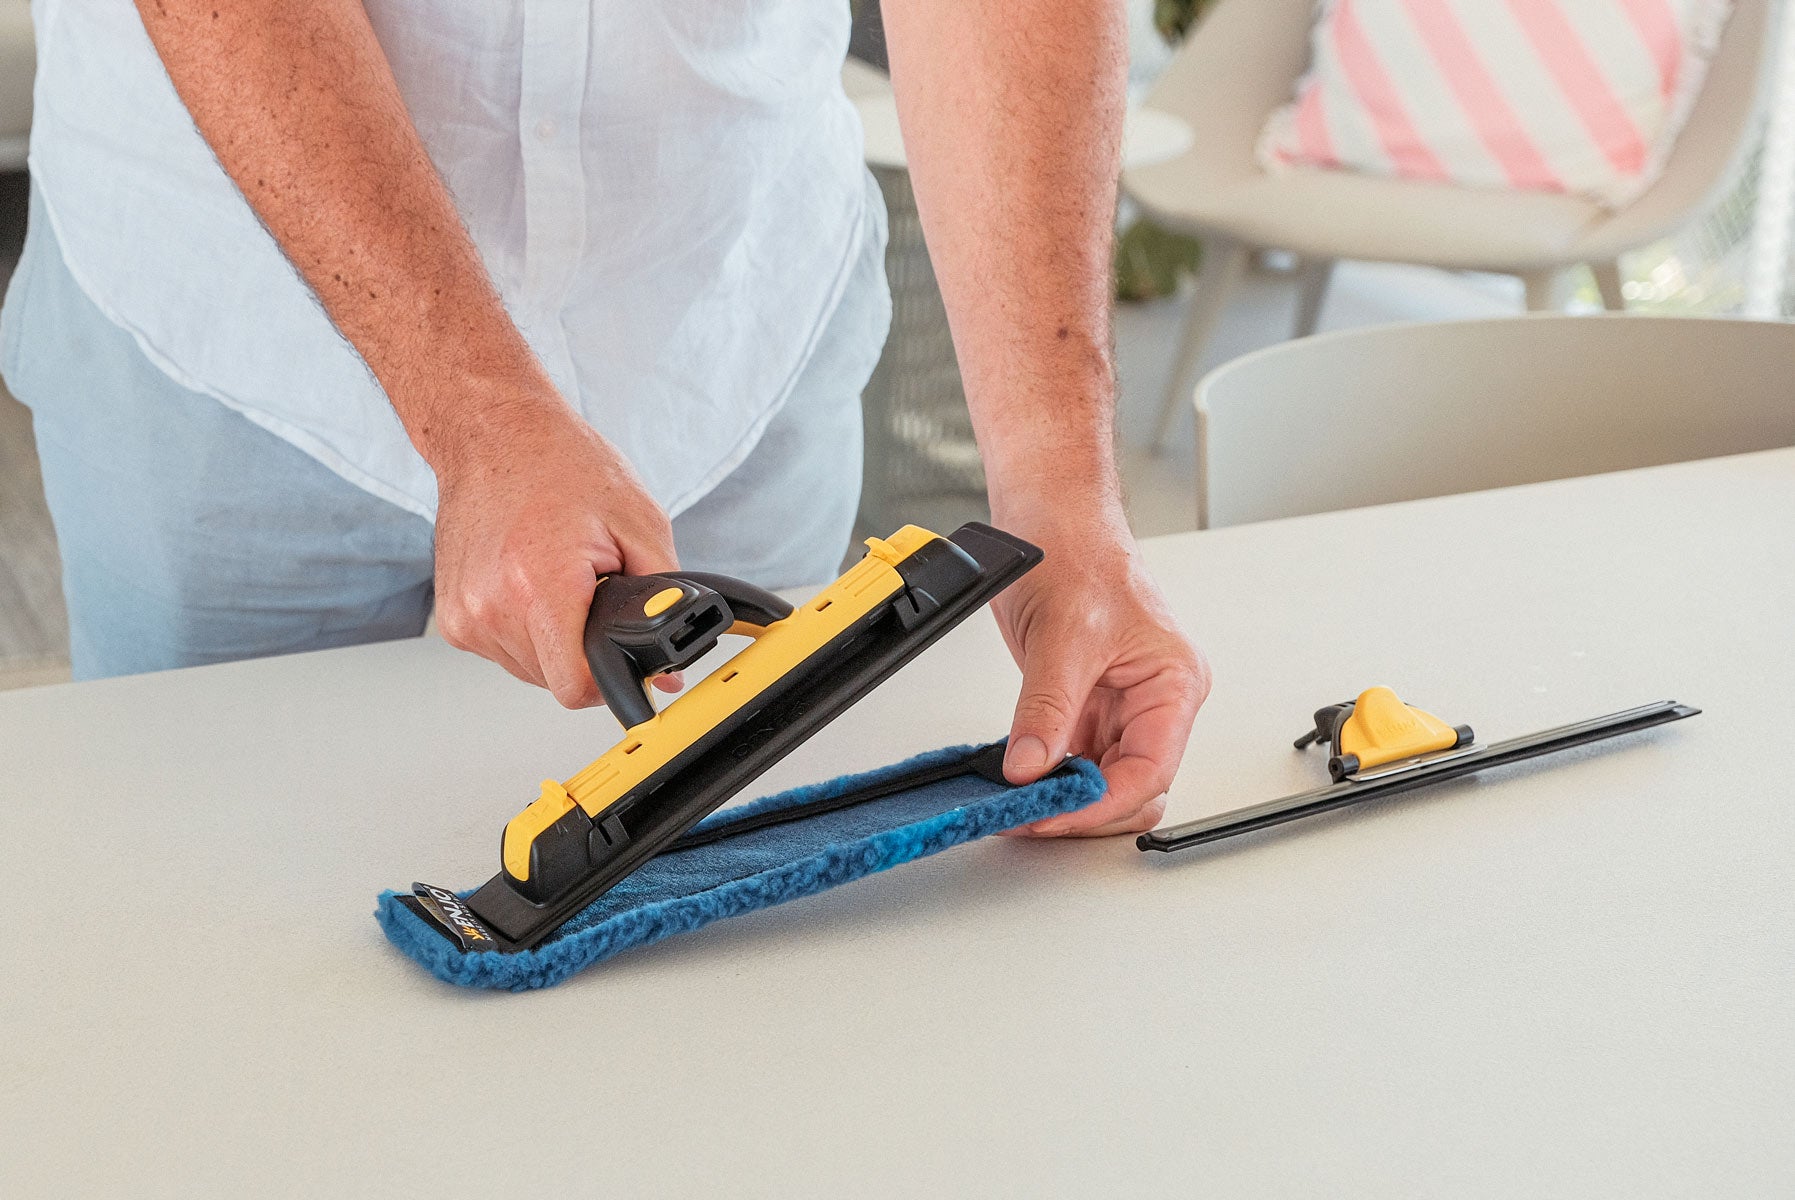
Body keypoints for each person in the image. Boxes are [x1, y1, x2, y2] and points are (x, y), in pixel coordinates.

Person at [1, 0, 1209, 835]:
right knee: (210, 902)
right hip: (240, 325)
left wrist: (1060, 485)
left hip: (722, 299)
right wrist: (480, 416)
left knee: (721, 916)